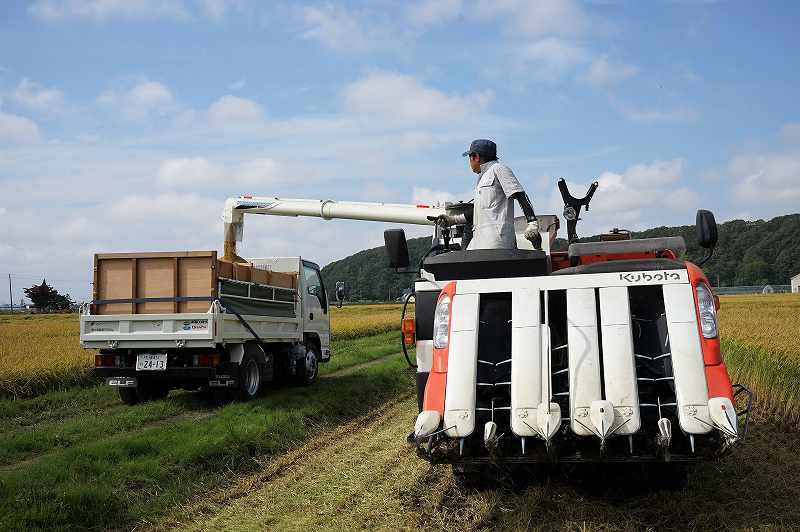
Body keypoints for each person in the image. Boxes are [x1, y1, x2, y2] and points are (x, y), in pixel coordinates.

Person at [445, 139, 540, 250]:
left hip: (497, 241)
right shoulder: (482, 178)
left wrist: (532, 222)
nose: (469, 162)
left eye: (470, 158)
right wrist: (452, 220)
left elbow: (520, 194)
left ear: (476, 157)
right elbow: (479, 210)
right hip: (479, 240)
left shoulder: (499, 169)